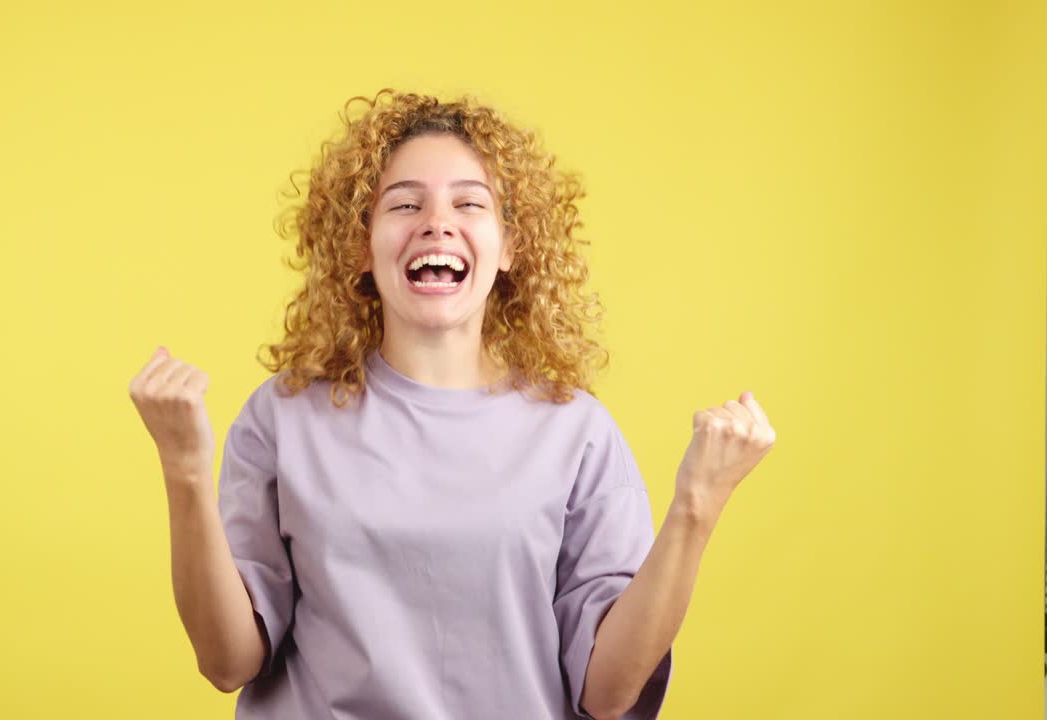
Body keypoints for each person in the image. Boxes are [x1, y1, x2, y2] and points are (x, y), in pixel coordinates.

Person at [129, 89, 777, 719]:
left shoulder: (576, 433)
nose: (437, 223)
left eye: (470, 204)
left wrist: (696, 504)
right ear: (360, 245)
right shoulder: (282, 417)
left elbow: (608, 693)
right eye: (404, 204)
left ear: (510, 248)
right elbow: (227, 661)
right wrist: (184, 469)